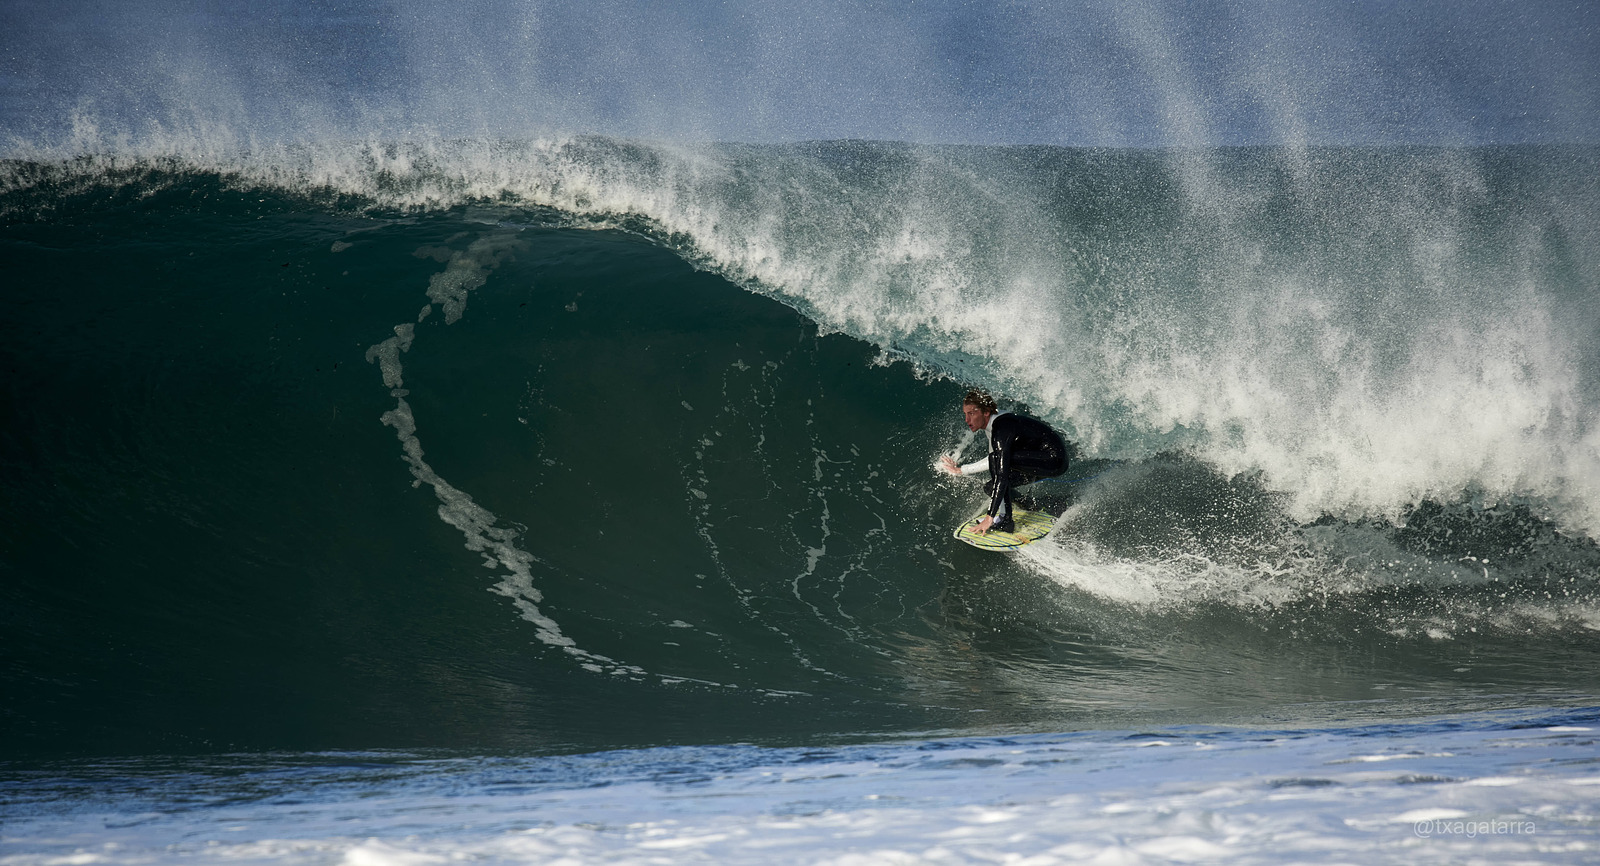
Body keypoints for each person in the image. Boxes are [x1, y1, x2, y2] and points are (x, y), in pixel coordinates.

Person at [938, 389, 1068, 534]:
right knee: (990, 487)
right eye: (965, 414)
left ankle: (1005, 520)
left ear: (986, 412)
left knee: (998, 469)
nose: (967, 420)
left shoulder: (1001, 428)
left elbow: (1000, 471)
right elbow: (995, 459)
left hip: (1053, 460)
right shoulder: (994, 423)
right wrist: (962, 470)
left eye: (971, 414)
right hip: (1035, 459)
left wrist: (989, 517)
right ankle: (1030, 505)